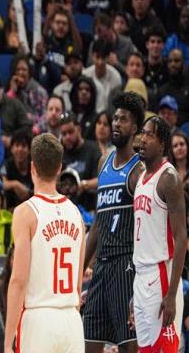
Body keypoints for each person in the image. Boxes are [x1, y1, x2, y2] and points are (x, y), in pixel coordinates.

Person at [4, 133, 85, 353]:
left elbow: (18, 281)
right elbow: (78, 285)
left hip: (38, 319)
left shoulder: (25, 212)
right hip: (71, 320)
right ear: (59, 168)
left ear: (32, 167)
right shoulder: (76, 214)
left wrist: (8, 341)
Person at [82, 92, 145, 353]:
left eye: (124, 119)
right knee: (89, 342)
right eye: (115, 118)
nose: (117, 123)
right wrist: (81, 268)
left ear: (136, 128)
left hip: (125, 264)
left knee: (129, 346)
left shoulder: (139, 170)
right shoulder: (103, 162)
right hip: (101, 266)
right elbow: (98, 222)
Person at [132, 116, 187, 352]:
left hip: (161, 273)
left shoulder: (169, 179)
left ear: (162, 144)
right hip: (140, 275)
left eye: (150, 135)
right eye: (142, 133)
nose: (143, 139)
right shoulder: (140, 179)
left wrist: (171, 294)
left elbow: (181, 237)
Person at [60, 112, 101, 210]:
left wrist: (83, 185)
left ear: (79, 129)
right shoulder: (60, 153)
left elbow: (101, 180)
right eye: (64, 134)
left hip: (88, 210)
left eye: (70, 132)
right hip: (65, 210)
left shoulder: (92, 149)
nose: (67, 137)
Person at [0, 129, 34, 211]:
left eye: (23, 146)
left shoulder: (34, 167)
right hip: (11, 211)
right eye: (17, 145)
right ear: (12, 149)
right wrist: (15, 184)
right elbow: (2, 184)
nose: (20, 149)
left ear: (29, 150)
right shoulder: (7, 165)